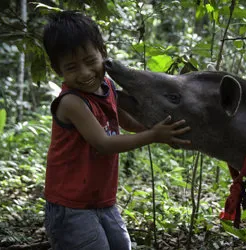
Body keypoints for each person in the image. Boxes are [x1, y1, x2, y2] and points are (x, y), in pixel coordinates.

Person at [42, 10, 191, 250]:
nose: (85, 73)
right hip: (70, 206)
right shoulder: (72, 102)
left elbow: (127, 122)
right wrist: (154, 136)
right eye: (71, 67)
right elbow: (103, 143)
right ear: (58, 70)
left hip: (101, 201)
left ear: (103, 53)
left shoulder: (107, 86)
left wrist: (165, 132)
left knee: (122, 245)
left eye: (90, 61)